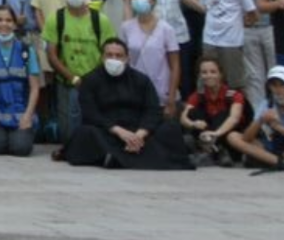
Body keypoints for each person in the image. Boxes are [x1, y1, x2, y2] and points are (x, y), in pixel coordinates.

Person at [67, 37, 192, 170]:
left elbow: (152, 110)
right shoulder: (90, 80)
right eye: (109, 55)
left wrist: (140, 134)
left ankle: (116, 158)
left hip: (138, 130)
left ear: (127, 58)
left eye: (119, 55)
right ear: (102, 57)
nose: (114, 59)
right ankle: (126, 156)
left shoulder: (141, 80)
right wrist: (119, 131)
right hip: (108, 131)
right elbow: (90, 113)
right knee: (84, 133)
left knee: (170, 128)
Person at [0, 7, 41, 156]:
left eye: (9, 20)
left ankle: (21, 136)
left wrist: (28, 116)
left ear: (15, 24)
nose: (4, 24)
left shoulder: (26, 50)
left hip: (21, 112)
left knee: (20, 149)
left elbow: (35, 88)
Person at [180, 58, 252, 167]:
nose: (208, 75)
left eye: (213, 72)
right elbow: (183, 117)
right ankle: (211, 151)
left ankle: (212, 151)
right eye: (204, 72)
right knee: (193, 112)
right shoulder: (198, 95)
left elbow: (234, 119)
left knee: (223, 115)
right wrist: (193, 124)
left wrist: (216, 133)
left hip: (229, 135)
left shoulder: (234, 94)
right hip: (207, 135)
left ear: (221, 74)